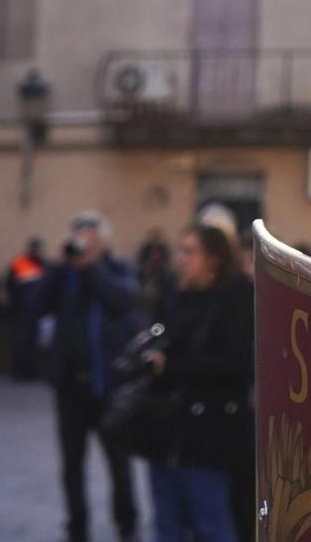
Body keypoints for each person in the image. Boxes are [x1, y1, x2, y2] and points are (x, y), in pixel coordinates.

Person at [138, 224, 253, 542]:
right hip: (164, 432)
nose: (181, 259)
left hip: (209, 435)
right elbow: (161, 332)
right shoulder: (178, 294)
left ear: (213, 259)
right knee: (167, 526)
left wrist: (171, 366)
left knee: (211, 525)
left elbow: (236, 363)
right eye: (180, 251)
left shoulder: (238, 297)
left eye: (190, 252)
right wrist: (149, 348)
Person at [37, 210, 143, 542]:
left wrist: (91, 267)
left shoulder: (117, 269)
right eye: (79, 237)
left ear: (104, 241)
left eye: (90, 238)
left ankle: (126, 523)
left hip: (107, 386)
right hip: (69, 387)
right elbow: (34, 305)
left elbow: (122, 300)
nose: (83, 245)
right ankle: (76, 526)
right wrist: (55, 265)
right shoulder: (62, 275)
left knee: (118, 462)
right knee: (71, 464)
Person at [6, 236, 46, 381]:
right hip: (20, 312)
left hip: (37, 313)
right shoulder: (19, 263)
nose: (37, 251)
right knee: (20, 343)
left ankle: (32, 372)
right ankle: (19, 372)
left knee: (34, 344)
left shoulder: (44, 265)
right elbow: (10, 286)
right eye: (35, 248)